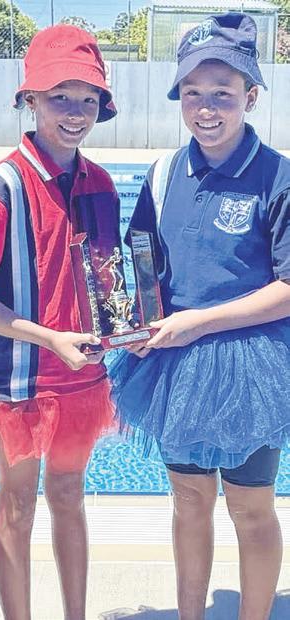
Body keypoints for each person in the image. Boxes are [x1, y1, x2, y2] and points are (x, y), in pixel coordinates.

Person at [111, 13, 290, 620]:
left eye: (222, 94)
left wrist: (199, 323)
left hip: (251, 364)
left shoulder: (277, 177)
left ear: (251, 97)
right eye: (193, 94)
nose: (206, 108)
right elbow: (143, 264)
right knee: (188, 499)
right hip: (175, 358)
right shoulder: (163, 174)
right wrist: (137, 319)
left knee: (250, 507)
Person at [0, 24, 119, 620]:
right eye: (60, 97)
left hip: (82, 375)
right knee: (16, 506)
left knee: (69, 496)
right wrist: (48, 339)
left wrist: (124, 327)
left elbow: (109, 279)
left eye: (88, 99)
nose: (75, 112)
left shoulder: (102, 184)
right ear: (30, 100)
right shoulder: (1, 185)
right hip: (19, 378)